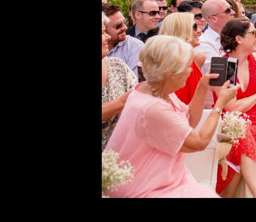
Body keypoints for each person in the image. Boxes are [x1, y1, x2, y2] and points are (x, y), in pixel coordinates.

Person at [103, 35, 240, 197]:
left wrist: (203, 86)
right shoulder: (153, 108)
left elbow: (188, 120)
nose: (190, 71)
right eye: (187, 67)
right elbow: (199, 142)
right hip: (150, 187)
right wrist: (220, 103)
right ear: (171, 73)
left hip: (170, 179)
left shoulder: (152, 89)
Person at [213, 17, 256, 198]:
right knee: (241, 129)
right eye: (252, 33)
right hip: (231, 123)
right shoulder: (224, 65)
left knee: (244, 132)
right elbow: (232, 108)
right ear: (238, 39)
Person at [102, 12, 137, 150]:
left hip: (121, 157)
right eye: (102, 33)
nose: (107, 37)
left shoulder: (117, 66)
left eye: (105, 32)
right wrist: (123, 101)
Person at [158, 12, 207, 105]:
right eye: (194, 27)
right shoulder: (163, 62)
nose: (200, 31)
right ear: (180, 30)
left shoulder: (197, 58)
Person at [103, 3, 145, 76]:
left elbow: (132, 81)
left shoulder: (135, 46)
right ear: (104, 29)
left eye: (124, 22)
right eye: (118, 26)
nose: (125, 27)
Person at [197, 0, 236, 74]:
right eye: (227, 11)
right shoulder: (203, 43)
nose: (233, 12)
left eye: (231, 8)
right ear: (213, 19)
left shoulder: (235, 36)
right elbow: (222, 73)